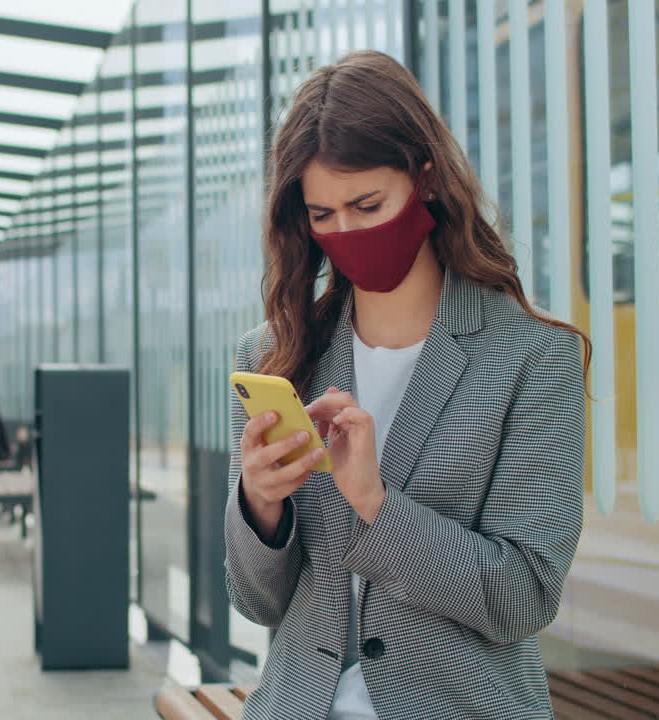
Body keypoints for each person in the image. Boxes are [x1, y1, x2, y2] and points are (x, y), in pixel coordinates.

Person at [225, 50, 589, 720]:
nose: (348, 233)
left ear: (424, 177)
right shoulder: (276, 355)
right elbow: (256, 602)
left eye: (367, 204)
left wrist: (374, 503)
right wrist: (260, 507)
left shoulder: (533, 359)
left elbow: (522, 599)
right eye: (324, 215)